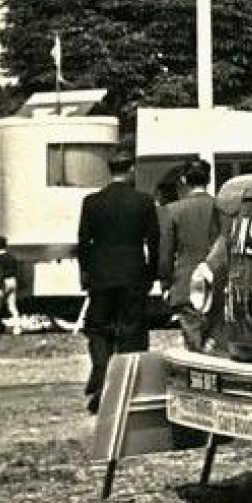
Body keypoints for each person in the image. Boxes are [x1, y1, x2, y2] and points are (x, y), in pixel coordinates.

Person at [77, 152, 160, 413]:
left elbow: (83, 243)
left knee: (98, 328)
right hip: (133, 273)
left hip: (101, 274)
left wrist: (87, 272)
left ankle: (101, 370)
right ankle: (127, 387)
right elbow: (154, 242)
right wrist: (151, 272)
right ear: (132, 170)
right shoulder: (144, 202)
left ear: (109, 170)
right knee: (132, 330)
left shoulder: (92, 202)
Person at [157, 157, 217, 351]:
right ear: (208, 179)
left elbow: (165, 253)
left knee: (193, 346)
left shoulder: (172, 211)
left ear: (183, 180)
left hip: (186, 285)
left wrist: (166, 283)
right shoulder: (221, 208)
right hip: (217, 282)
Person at [0, 236, 22, 335]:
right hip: (13, 281)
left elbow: (0, 273)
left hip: (3, 282)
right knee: (12, 306)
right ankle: (17, 328)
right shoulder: (12, 257)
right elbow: (16, 271)